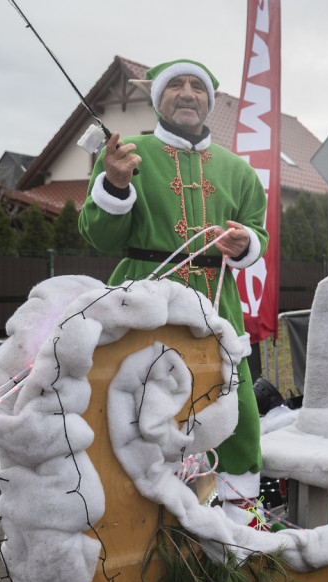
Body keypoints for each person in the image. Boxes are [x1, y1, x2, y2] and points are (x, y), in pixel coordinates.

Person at [78, 58, 269, 513]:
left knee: (235, 400)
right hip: (142, 299)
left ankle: (241, 517)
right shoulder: (126, 154)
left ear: (210, 101)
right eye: (176, 85)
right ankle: (129, 513)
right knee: (131, 404)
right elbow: (100, 236)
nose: (187, 93)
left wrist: (246, 243)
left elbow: (258, 231)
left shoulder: (238, 170)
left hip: (218, 303)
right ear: (157, 97)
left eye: (198, 86)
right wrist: (115, 185)